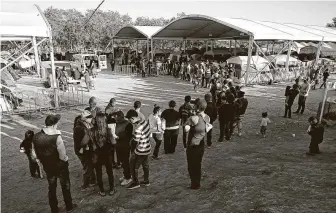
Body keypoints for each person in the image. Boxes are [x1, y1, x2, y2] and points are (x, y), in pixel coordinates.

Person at [33, 114, 77, 213]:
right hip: (60, 166)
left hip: (48, 166)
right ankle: (69, 206)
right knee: (65, 186)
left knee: (51, 188)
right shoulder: (57, 137)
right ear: (53, 125)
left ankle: (54, 209)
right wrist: (66, 159)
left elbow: (36, 152)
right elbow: (62, 156)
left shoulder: (36, 136)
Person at [184, 100, 211, 189]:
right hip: (201, 144)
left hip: (192, 145)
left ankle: (194, 184)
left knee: (191, 165)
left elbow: (186, 129)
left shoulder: (193, 118)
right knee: (198, 164)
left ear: (197, 107)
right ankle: (197, 182)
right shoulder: (207, 117)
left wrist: (189, 118)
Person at [126, 110, 151, 190]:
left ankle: (135, 182)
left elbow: (135, 142)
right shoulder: (145, 121)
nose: (129, 121)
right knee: (145, 165)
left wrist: (133, 151)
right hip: (147, 147)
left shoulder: (138, 128)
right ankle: (146, 181)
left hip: (140, 150)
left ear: (133, 118)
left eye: (130, 119)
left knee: (133, 165)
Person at [91, 113, 116, 196]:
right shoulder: (108, 130)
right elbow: (113, 142)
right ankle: (112, 189)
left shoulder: (91, 130)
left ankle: (102, 191)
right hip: (107, 154)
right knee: (109, 172)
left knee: (99, 173)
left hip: (96, 155)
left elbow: (85, 142)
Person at [73, 110, 96, 190]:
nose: (91, 119)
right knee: (87, 166)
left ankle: (92, 180)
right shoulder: (79, 128)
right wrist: (82, 148)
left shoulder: (87, 124)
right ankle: (85, 184)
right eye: (89, 118)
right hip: (82, 150)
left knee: (90, 164)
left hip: (87, 149)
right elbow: (78, 142)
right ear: (84, 119)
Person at [114, 111, 133, 186]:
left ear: (121, 117)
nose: (115, 119)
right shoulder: (117, 122)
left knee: (125, 162)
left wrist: (118, 136)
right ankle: (125, 175)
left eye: (117, 117)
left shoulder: (128, 124)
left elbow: (128, 136)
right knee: (121, 162)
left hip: (125, 146)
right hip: (118, 145)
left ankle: (128, 177)